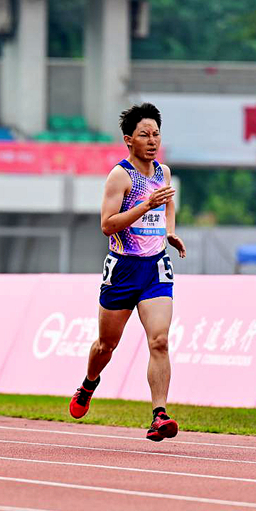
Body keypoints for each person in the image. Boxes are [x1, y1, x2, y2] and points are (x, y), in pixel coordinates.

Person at [68, 103, 187, 441]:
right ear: (128, 140)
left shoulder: (163, 173)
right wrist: (145, 206)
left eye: (156, 134)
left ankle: (159, 415)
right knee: (106, 345)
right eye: (144, 135)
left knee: (159, 340)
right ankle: (89, 384)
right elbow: (107, 225)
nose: (152, 141)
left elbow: (168, 204)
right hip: (122, 268)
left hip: (155, 267)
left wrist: (169, 231)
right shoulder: (120, 176)